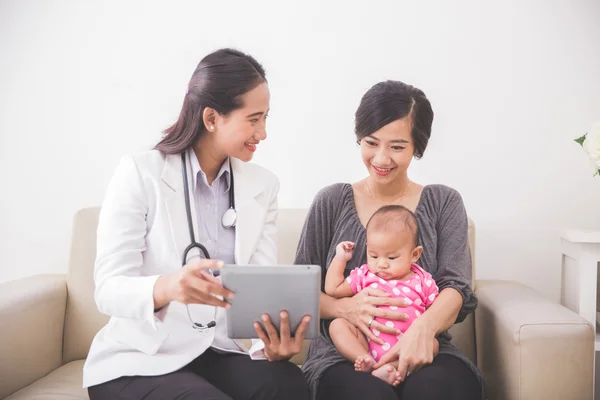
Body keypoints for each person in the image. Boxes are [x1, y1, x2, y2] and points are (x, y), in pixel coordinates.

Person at [83, 48, 311, 400]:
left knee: (290, 385)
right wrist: (168, 287)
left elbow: (257, 293)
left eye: (266, 118)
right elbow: (108, 289)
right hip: (142, 359)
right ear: (211, 118)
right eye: (253, 119)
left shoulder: (262, 186)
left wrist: (273, 344)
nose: (263, 133)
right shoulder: (141, 173)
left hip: (217, 352)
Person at [295, 80, 485, 400]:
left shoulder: (443, 202)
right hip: (345, 356)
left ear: (417, 147)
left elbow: (457, 289)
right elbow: (298, 291)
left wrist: (422, 329)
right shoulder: (331, 201)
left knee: (436, 391)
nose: (381, 158)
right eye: (371, 142)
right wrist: (347, 309)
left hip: (426, 351)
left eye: (397, 146)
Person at [324, 205, 439, 386]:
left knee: (433, 343)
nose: (382, 265)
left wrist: (422, 331)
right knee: (337, 326)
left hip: (407, 346)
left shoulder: (423, 280)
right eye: (374, 256)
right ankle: (365, 360)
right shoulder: (365, 275)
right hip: (368, 343)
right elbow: (333, 289)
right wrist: (340, 258)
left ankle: (393, 367)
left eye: (392, 258)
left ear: (415, 254)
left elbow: (436, 313)